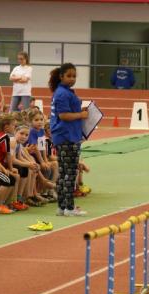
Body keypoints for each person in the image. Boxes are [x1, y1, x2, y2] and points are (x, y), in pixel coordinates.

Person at [49, 62, 88, 217]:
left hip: (66, 135)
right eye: (69, 76)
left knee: (64, 172)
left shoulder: (64, 92)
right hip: (66, 136)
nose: (72, 79)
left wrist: (79, 111)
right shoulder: (62, 94)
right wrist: (81, 115)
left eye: (74, 76)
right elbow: (63, 115)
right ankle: (69, 208)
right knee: (70, 172)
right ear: (61, 76)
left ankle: (62, 206)